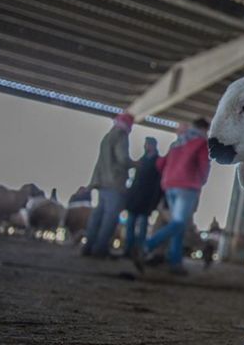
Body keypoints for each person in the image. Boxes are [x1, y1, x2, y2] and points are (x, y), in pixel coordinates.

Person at [135, 118, 210, 276]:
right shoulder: (201, 142)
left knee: (179, 225)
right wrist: (201, 180)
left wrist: (169, 176)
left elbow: (160, 164)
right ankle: (146, 247)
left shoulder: (178, 141)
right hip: (187, 185)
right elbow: (204, 166)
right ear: (205, 128)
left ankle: (175, 262)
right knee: (178, 223)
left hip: (169, 185)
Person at [83, 113, 135, 258]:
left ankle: (88, 246)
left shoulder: (108, 136)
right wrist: (136, 164)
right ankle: (100, 249)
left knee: (97, 216)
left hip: (102, 182)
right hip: (115, 183)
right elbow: (122, 158)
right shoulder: (121, 136)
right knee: (110, 218)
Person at [122, 137, 163, 256]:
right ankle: (129, 249)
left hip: (146, 199)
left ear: (152, 145)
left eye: (147, 144)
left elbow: (157, 184)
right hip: (136, 198)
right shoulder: (143, 160)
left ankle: (139, 250)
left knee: (142, 226)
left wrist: (154, 201)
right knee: (131, 224)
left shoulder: (156, 162)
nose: (145, 146)